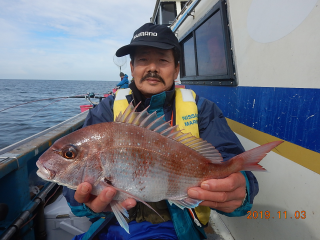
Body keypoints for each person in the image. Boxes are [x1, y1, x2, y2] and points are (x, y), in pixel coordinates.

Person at [63, 23, 259, 240]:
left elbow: (231, 162)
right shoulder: (105, 112)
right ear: (132, 68)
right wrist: (87, 203)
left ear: (176, 69)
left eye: (163, 60)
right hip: (113, 225)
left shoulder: (202, 110)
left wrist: (241, 189)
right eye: (143, 60)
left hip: (180, 227)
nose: (152, 68)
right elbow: (75, 187)